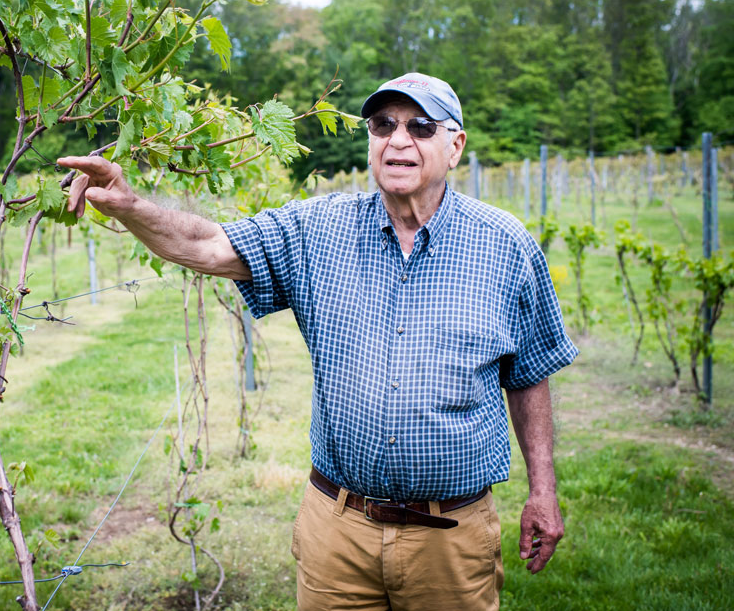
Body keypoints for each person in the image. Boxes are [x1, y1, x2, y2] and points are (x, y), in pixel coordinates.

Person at [58, 72, 578, 610]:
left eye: (420, 127)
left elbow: (530, 373)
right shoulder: (317, 230)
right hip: (339, 532)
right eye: (383, 125)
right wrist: (130, 205)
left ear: (455, 145)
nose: (398, 140)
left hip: (452, 537)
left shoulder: (505, 245)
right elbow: (209, 244)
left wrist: (543, 491)